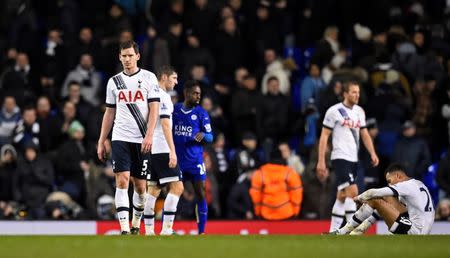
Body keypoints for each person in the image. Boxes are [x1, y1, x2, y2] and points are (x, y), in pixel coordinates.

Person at [97, 40, 160, 235]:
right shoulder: (113, 82)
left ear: (138, 56)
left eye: (130, 55)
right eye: (124, 56)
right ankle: (124, 228)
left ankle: (135, 223)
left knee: (140, 187)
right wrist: (101, 140)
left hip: (142, 139)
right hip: (120, 136)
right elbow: (109, 113)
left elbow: (154, 109)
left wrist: (150, 135)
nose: (127, 59)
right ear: (119, 57)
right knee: (122, 180)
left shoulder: (149, 78)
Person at [317, 81, 379, 232]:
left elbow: (364, 133)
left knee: (342, 195)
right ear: (345, 94)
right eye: (353, 92)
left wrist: (372, 152)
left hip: (353, 159)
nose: (356, 95)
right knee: (353, 193)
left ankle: (333, 231)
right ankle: (350, 231)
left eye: (358, 92)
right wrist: (321, 161)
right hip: (340, 157)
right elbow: (324, 136)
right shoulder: (334, 111)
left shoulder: (359, 111)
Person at [334, 164, 435, 235]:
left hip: (414, 231)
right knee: (384, 199)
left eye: (390, 181)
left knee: (375, 199)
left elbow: (372, 193)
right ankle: (357, 232)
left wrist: (358, 198)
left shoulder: (406, 186)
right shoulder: (417, 184)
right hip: (423, 229)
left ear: (398, 176)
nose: (390, 185)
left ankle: (343, 232)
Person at [143, 66, 184, 236]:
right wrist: (172, 152)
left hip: (151, 149)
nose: (176, 82)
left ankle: (150, 230)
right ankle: (167, 229)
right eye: (174, 78)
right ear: (164, 77)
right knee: (177, 187)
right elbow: (166, 124)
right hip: (162, 148)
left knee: (153, 190)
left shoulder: (152, 95)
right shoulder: (164, 97)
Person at [172, 80, 213, 234]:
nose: (198, 96)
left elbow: (210, 137)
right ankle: (166, 228)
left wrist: (204, 135)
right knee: (173, 194)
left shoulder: (202, 113)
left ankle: (201, 232)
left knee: (201, 194)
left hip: (195, 161)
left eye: (199, 94)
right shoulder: (174, 110)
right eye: (195, 93)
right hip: (177, 161)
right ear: (186, 93)